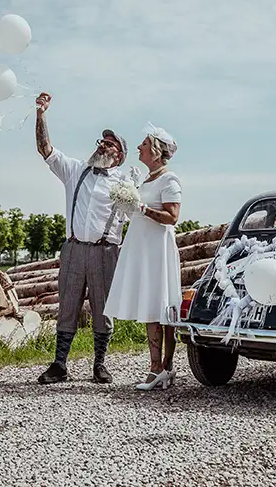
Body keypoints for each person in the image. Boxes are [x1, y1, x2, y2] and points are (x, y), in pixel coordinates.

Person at [34, 92, 130, 385]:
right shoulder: (76, 171)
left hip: (106, 252)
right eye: (101, 141)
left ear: (119, 155)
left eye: (109, 143)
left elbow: (137, 215)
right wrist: (41, 115)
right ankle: (59, 364)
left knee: (103, 309)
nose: (102, 145)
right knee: (68, 305)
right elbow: (45, 149)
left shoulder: (127, 183)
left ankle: (99, 365)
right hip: (74, 249)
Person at [103, 122, 182, 391]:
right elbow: (135, 211)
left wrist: (143, 207)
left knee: (164, 306)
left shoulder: (169, 179)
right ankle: (156, 367)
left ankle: (166, 367)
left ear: (156, 152)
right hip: (142, 247)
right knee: (151, 304)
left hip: (157, 249)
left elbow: (172, 217)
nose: (139, 147)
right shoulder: (145, 179)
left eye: (144, 144)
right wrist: (127, 204)